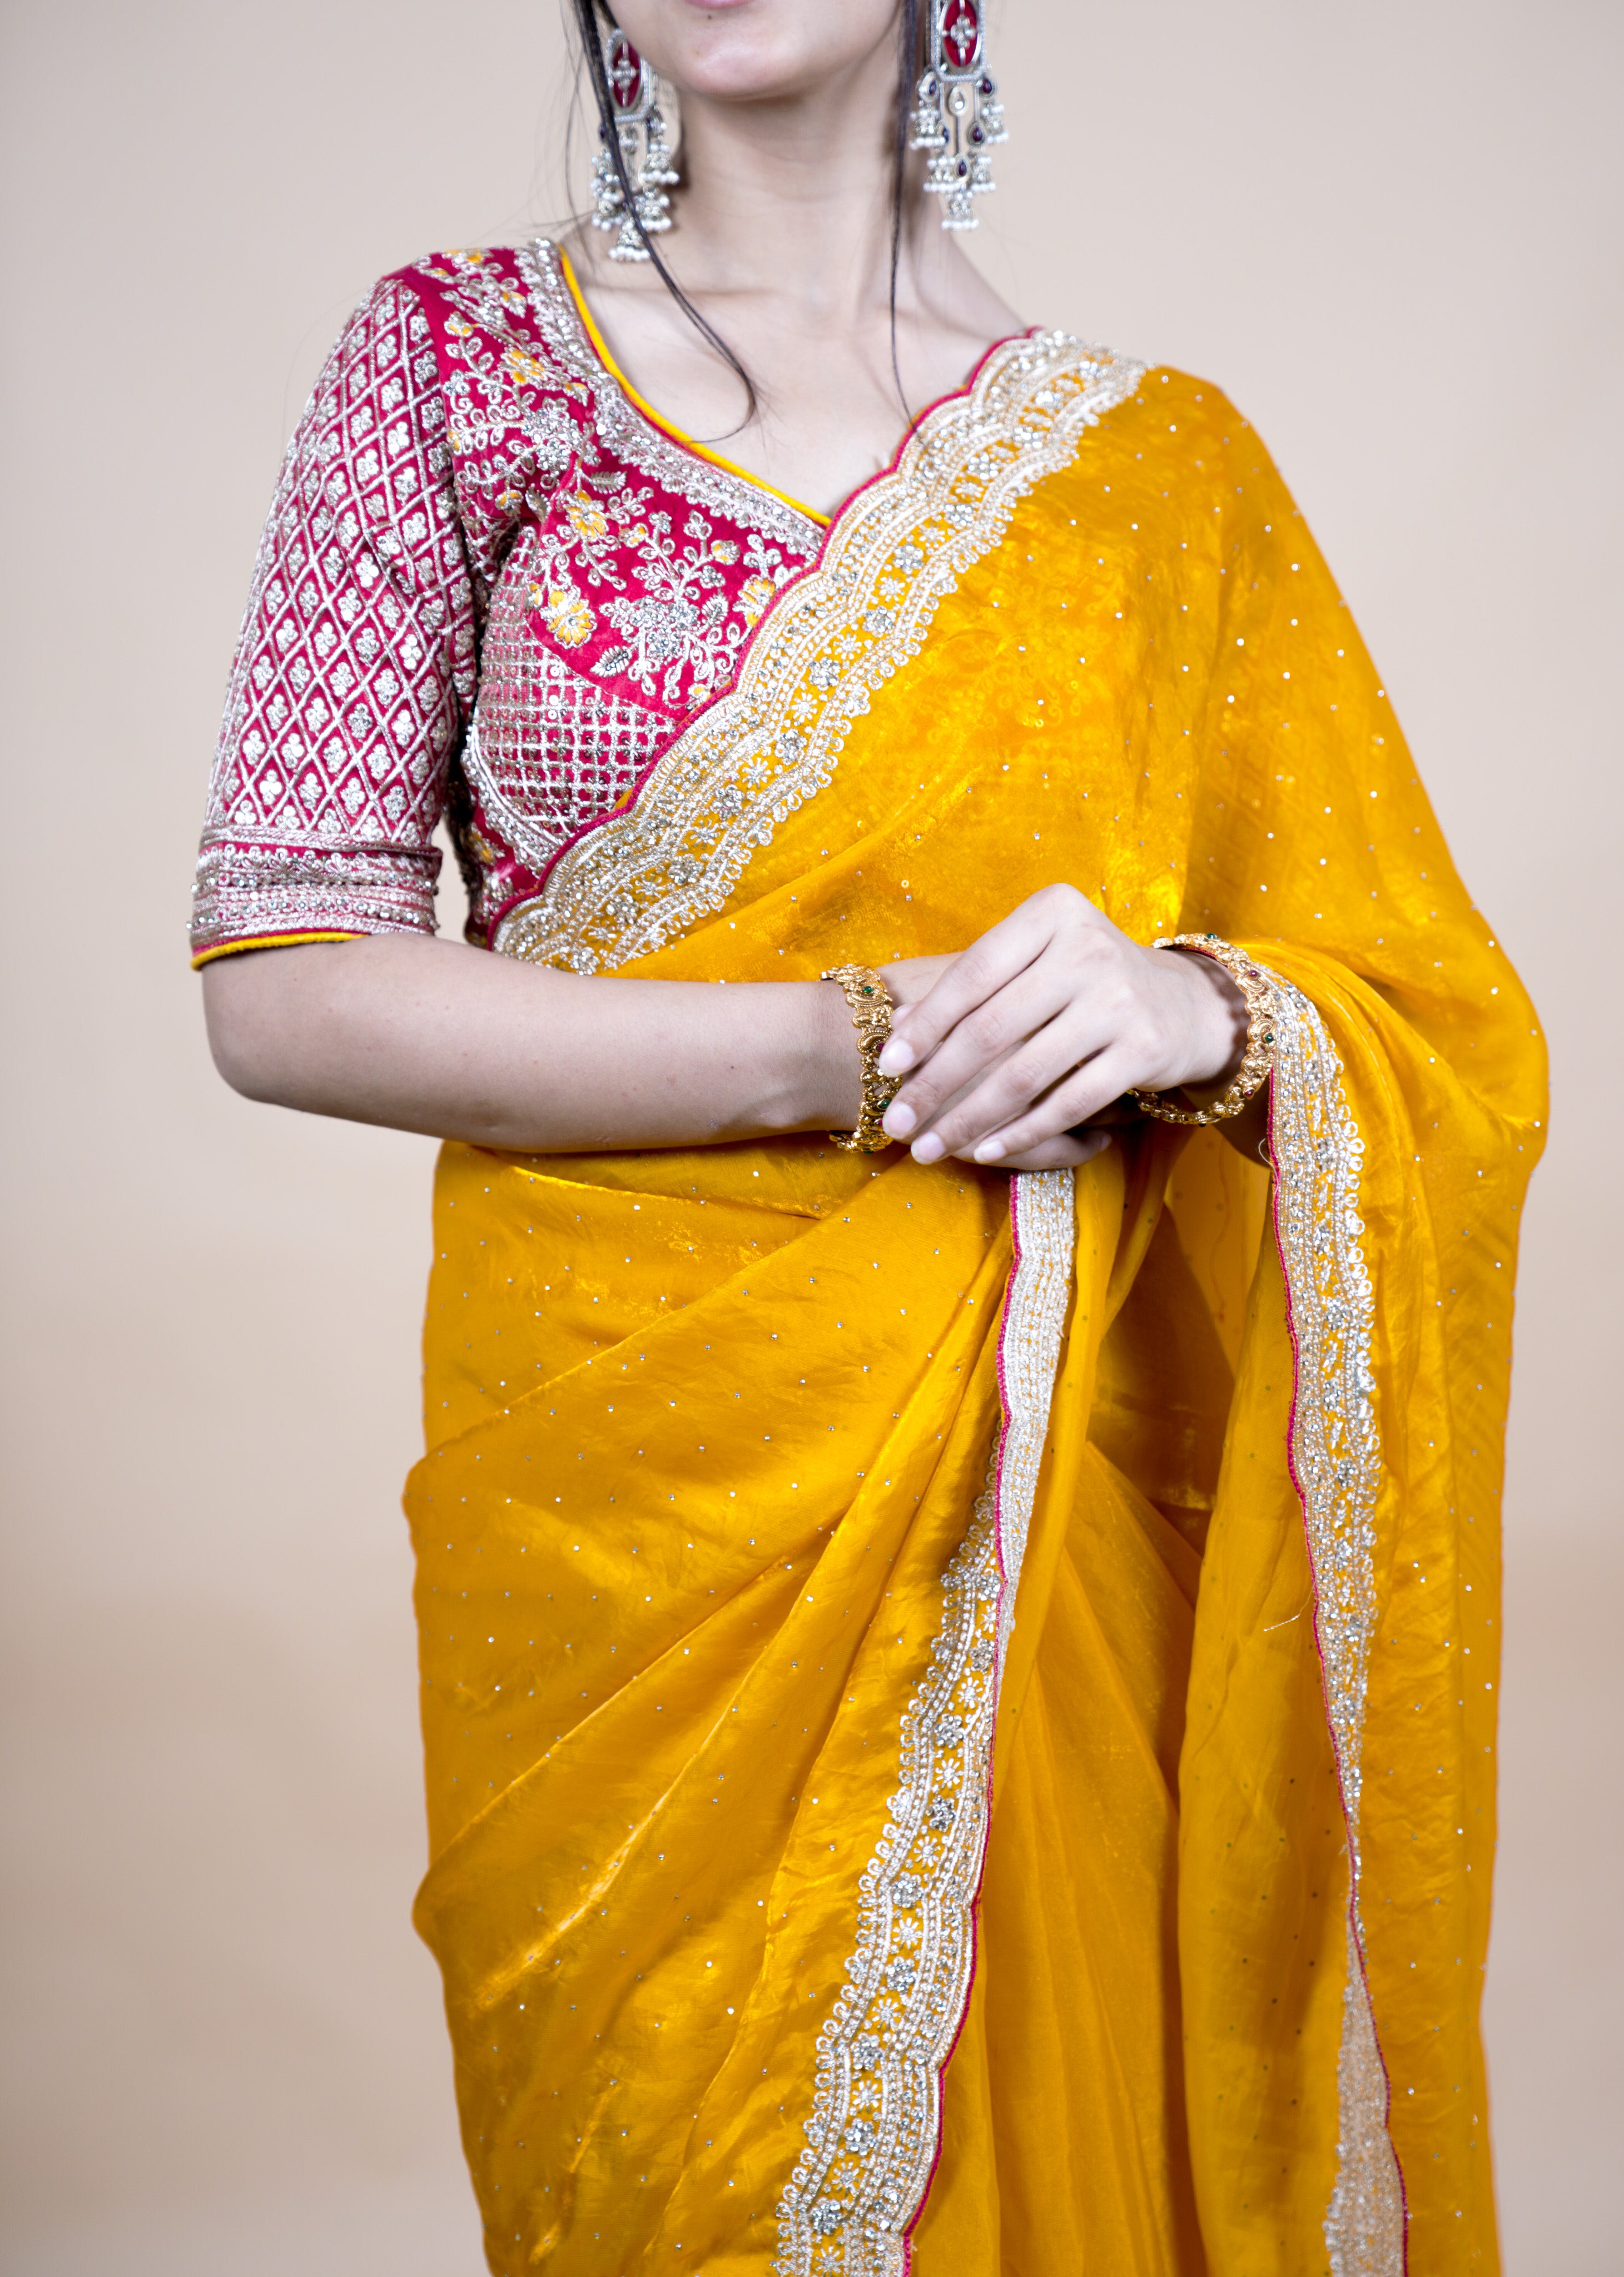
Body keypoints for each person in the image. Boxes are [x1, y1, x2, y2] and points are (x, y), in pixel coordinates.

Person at [192, 1, 1545, 2269]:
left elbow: (1431, 1028)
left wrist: (1195, 1010)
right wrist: (856, 1047)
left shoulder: (1161, 472)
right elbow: (285, 973)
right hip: (623, 1515)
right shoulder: (455, 362)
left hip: (1042, 1491)